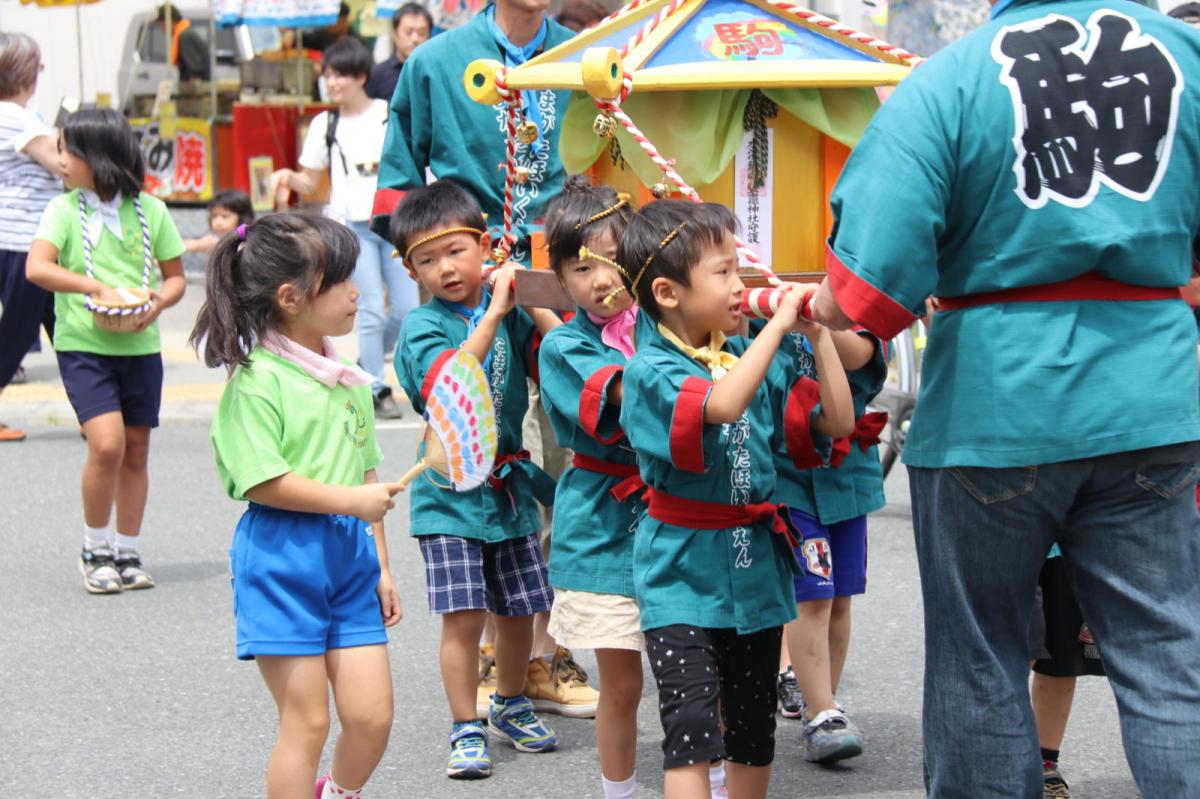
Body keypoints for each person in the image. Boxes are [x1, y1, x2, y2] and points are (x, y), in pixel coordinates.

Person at [808, 0, 1200, 795]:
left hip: (995, 400)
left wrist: (820, 304)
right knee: (1170, 656)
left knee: (979, 657)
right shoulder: (1184, 58)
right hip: (1152, 393)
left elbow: (868, 285)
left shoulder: (949, 79)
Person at [618, 199, 854, 799]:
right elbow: (720, 405)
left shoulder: (748, 357)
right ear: (668, 293)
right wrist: (776, 327)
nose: (739, 285)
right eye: (722, 272)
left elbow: (838, 422)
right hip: (680, 578)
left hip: (755, 577)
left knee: (753, 734)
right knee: (693, 734)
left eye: (739, 268)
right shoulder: (650, 370)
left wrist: (818, 336)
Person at [190, 213, 402, 799]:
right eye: (341, 280)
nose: (357, 292)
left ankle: (335, 793)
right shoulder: (256, 380)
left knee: (372, 717)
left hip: (350, 560)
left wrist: (382, 567)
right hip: (281, 559)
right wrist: (353, 501)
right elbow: (263, 482)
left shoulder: (348, 377)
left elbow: (365, 472)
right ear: (291, 298)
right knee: (307, 723)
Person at [389, 180, 562, 780]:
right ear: (410, 270)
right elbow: (450, 385)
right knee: (463, 617)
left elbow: (560, 347)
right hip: (450, 496)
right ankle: (466, 723)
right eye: (426, 260)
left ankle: (511, 702)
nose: (445, 269)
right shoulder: (420, 327)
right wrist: (493, 313)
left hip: (508, 490)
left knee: (520, 610)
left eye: (456, 252)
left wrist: (526, 292)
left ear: (484, 247)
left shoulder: (506, 307)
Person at [25, 109, 187, 593]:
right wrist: (93, 286)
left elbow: (176, 278)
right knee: (107, 444)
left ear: (98, 157)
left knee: (136, 450)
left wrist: (158, 303)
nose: (59, 160)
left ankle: (127, 550)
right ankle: (94, 548)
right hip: (83, 345)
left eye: (66, 150)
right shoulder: (62, 210)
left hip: (141, 345)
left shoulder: (152, 210)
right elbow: (38, 267)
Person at [537, 179, 645, 799]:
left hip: (684, 519)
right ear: (559, 279)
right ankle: (619, 791)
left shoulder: (668, 321)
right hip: (604, 524)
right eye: (582, 268)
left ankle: (711, 781)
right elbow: (632, 401)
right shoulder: (563, 344)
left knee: (697, 675)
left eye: (615, 259)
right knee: (622, 685)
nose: (603, 279)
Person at [272, 37, 418, 419]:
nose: (332, 83)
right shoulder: (325, 123)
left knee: (407, 309)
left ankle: (366, 363)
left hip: (392, 223)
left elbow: (412, 161)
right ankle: (376, 387)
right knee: (370, 309)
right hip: (351, 228)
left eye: (339, 76)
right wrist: (287, 176)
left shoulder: (387, 114)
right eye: (328, 76)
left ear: (360, 77)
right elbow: (309, 181)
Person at [372, 0, 574, 267]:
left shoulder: (585, 58)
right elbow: (398, 178)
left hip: (569, 262)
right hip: (467, 269)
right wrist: (431, 256)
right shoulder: (434, 62)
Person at [765, 323, 885, 763]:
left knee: (840, 598)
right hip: (788, 473)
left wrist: (816, 320)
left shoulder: (851, 296)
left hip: (848, 473)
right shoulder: (761, 297)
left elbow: (863, 354)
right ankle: (821, 712)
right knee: (812, 595)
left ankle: (825, 703)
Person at [0, 33, 61, 443]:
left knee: (65, 326)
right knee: (20, 331)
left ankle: (96, 412)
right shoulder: (15, 118)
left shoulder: (16, 116)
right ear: (24, 72)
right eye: (38, 66)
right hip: (24, 240)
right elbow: (61, 163)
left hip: (29, 239)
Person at [1029, 544, 1106, 799]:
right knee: (1006, 655)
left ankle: (1045, 764)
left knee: (1061, 659)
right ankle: (985, 758)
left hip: (1066, 546)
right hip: (1002, 543)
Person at [365, 3, 433, 102]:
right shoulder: (377, 74)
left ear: (430, 37)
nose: (415, 39)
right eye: (408, 32)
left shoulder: (435, 74)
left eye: (421, 33)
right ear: (394, 34)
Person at [183, 189, 254, 256]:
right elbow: (192, 245)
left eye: (225, 216)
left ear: (243, 217)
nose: (218, 222)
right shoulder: (215, 240)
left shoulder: (250, 242)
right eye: (214, 216)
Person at [155, 3, 210, 82]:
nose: (162, 29)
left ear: (169, 21)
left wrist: (188, 87)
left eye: (162, 24)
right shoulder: (186, 33)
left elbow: (195, 71)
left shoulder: (185, 37)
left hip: (196, 86)